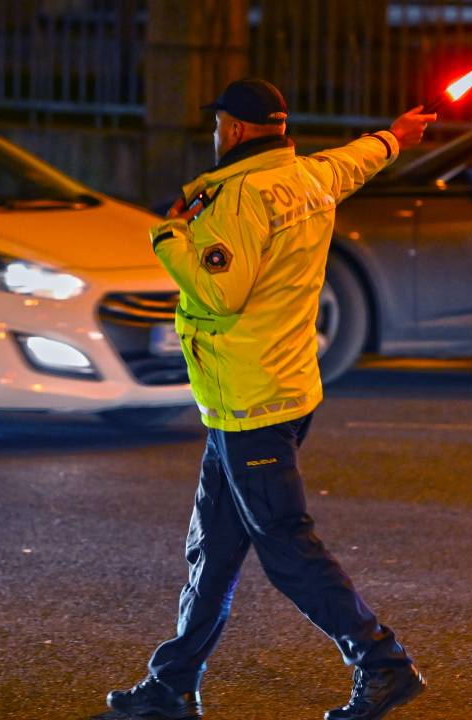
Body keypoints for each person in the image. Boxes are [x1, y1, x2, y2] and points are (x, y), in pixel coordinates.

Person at [108, 78, 434, 720]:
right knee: (214, 547)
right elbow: (360, 158)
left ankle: (383, 664)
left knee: (285, 547)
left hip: (250, 402)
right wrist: (396, 136)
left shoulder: (239, 199)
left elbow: (218, 293)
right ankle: (172, 685)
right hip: (280, 389)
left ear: (232, 129)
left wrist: (169, 237)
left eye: (217, 125)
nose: (215, 134)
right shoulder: (310, 176)